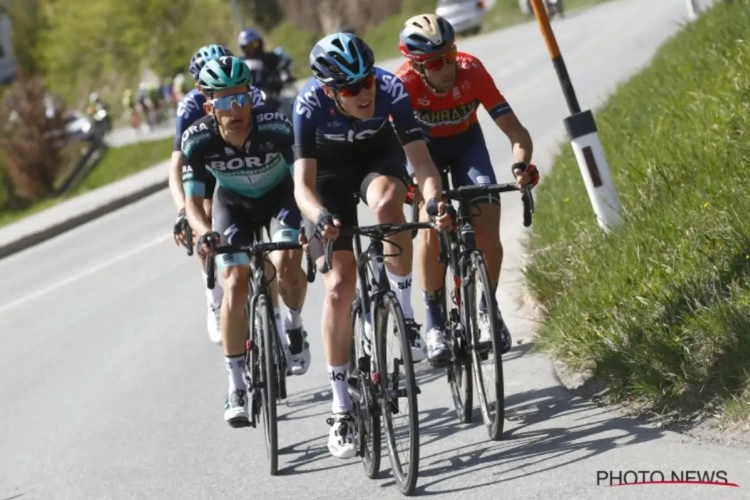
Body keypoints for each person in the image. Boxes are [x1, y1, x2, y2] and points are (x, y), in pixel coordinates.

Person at [292, 32, 451, 459]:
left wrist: (433, 199)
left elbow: (421, 163)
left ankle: (405, 313)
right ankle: (342, 406)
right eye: (350, 88)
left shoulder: (391, 89)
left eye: (366, 83)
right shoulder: (308, 105)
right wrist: (319, 216)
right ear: (330, 91)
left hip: (375, 163)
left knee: (387, 204)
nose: (364, 93)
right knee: (340, 288)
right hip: (326, 181)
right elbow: (302, 186)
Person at [395, 14, 540, 365]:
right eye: (435, 62)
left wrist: (521, 167)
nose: (447, 67)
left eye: (449, 54)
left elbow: (517, 134)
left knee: (487, 223)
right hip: (423, 156)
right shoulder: (403, 84)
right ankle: (435, 322)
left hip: (466, 149)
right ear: (417, 65)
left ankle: (488, 309)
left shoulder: (471, 70)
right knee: (432, 227)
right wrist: (408, 188)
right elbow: (390, 152)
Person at [182, 55, 312, 426]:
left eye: (241, 97)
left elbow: (303, 181)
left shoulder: (276, 128)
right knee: (236, 282)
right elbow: (193, 203)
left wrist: (309, 222)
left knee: (287, 263)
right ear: (210, 106)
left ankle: (293, 322)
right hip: (232, 205)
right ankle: (235, 384)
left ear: (251, 97)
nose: (235, 108)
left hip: (278, 199)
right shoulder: (199, 139)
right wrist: (204, 230)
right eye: (223, 101)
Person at [169, 44, 270, 347]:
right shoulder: (189, 107)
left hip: (246, 168)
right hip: (207, 171)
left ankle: (274, 318)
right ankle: (214, 298)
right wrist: (183, 212)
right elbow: (177, 166)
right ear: (199, 86)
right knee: (207, 216)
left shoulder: (252, 99)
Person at [236, 28, 287, 102]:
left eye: (254, 44)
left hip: (271, 94)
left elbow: (280, 69)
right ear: (243, 47)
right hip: (250, 97)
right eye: (248, 47)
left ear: (259, 43)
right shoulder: (239, 62)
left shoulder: (269, 57)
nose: (252, 49)